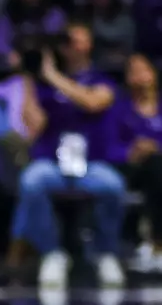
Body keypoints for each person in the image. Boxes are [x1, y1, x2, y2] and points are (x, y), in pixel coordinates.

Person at [17, 23, 125, 288]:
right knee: (31, 181)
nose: (70, 45)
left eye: (76, 39)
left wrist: (53, 75)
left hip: (91, 166)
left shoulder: (101, 80)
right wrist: (30, 78)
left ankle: (105, 252)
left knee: (113, 186)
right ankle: (52, 253)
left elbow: (92, 102)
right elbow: (33, 127)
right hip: (54, 165)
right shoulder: (44, 86)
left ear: (89, 44)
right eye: (66, 40)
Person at [117, 53, 162, 273]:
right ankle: (154, 244)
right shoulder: (120, 109)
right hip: (130, 169)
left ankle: (155, 244)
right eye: (133, 71)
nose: (139, 75)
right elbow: (109, 145)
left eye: (143, 69)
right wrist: (131, 152)